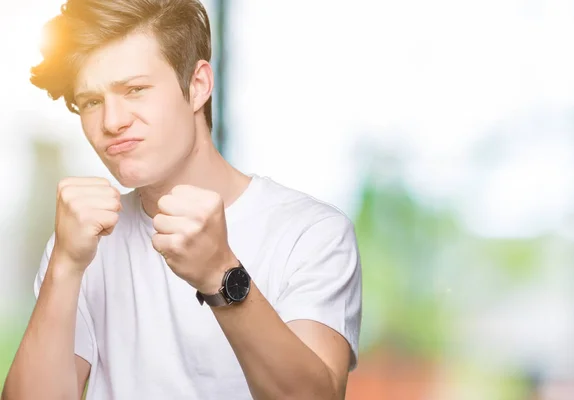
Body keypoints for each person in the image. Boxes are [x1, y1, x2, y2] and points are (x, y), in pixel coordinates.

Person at [1, 0, 362, 399]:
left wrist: (221, 276)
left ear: (198, 86)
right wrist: (65, 266)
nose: (112, 121)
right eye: (92, 102)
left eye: (135, 89)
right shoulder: (82, 243)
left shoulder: (311, 233)